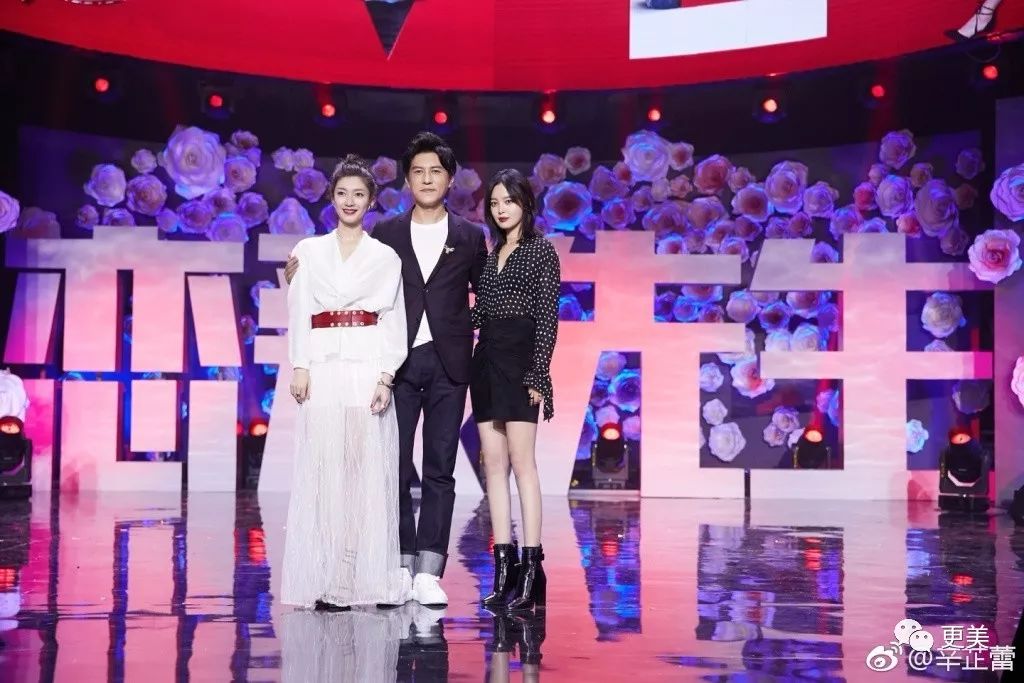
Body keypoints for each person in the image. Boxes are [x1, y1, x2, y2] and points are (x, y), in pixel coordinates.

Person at [286, 133, 487, 606]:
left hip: (449, 362)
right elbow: (346, 275)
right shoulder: (388, 235)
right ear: (406, 180)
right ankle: (397, 563)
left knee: (440, 467)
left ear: (450, 179)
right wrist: (293, 273)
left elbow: (486, 296)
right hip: (396, 361)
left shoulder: (468, 236)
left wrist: (466, 333)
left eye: (435, 172)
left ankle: (429, 570)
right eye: (418, 172)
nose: (427, 179)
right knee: (390, 466)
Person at [280, 155, 410, 610]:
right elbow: (299, 309)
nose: (350, 201)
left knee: (359, 473)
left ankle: (348, 571)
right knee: (323, 471)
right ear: (331, 198)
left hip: (365, 365)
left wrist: (386, 376)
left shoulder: (385, 257)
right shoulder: (308, 251)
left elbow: (393, 319)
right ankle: (325, 567)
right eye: (342, 193)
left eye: (358, 194)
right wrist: (300, 365)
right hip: (324, 367)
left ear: (371, 201)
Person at [472, 169, 560, 612]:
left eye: (508, 200)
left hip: (521, 362)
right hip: (486, 361)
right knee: (494, 466)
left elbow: (547, 316)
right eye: (494, 202)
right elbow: (479, 315)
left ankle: (531, 570)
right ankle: (503, 571)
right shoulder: (491, 256)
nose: (501, 209)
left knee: (523, 464)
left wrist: (538, 373)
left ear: (525, 203)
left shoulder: (541, 251)